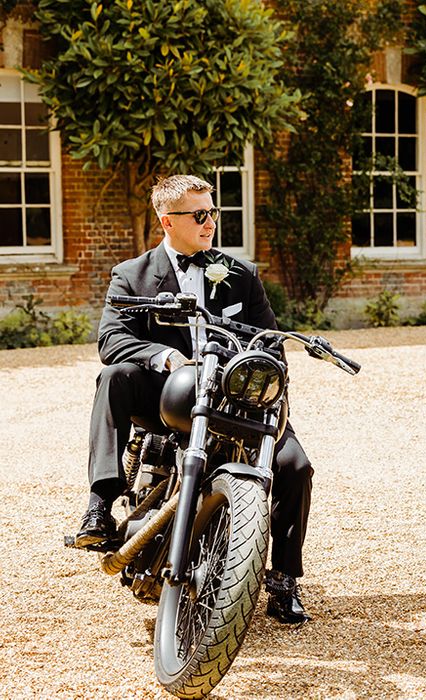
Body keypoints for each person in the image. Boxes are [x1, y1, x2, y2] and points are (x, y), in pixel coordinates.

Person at [75, 174, 312, 624]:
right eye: (199, 214)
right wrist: (166, 358)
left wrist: (252, 377)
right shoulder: (131, 276)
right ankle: (99, 506)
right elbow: (112, 339)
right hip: (169, 393)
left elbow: (272, 342)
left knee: (295, 467)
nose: (210, 222)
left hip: (234, 396)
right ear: (168, 221)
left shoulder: (241, 274)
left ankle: (284, 578)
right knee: (114, 375)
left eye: (213, 212)